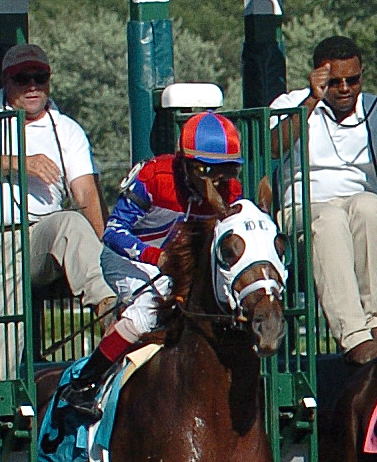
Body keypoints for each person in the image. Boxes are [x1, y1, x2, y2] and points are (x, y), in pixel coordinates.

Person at [52, 107, 246, 426]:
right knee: (149, 307)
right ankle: (85, 383)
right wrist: (155, 258)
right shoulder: (153, 176)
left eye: (225, 169)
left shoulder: (232, 191)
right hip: (127, 257)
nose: (216, 179)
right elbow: (112, 233)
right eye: (207, 169)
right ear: (185, 161)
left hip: (177, 263)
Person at [0, 42, 112, 320]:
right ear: (6, 80)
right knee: (2, 346)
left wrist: (108, 254)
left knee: (71, 222)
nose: (32, 86)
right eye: (22, 78)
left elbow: (86, 196)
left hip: (39, 238)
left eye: (39, 78)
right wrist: (19, 163)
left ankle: (110, 306)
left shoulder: (66, 129)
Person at [270, 36, 377, 363]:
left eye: (352, 80)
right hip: (301, 207)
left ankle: (375, 321)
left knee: (371, 207)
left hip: (356, 202)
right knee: (331, 219)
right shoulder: (292, 103)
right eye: (335, 81)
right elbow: (272, 147)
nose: (344, 88)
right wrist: (311, 101)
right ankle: (352, 336)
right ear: (317, 76)